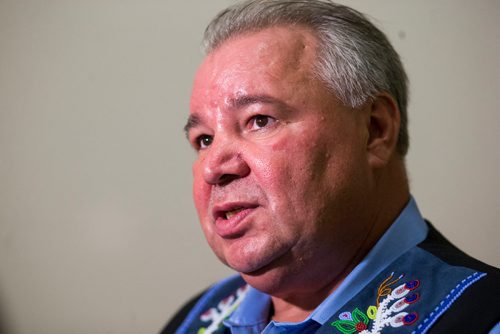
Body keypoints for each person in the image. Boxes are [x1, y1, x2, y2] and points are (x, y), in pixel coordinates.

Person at [162, 0, 500, 333]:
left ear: (375, 130)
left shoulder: (483, 318)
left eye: (259, 120)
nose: (214, 168)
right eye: (203, 139)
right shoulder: (190, 321)